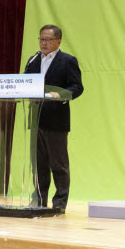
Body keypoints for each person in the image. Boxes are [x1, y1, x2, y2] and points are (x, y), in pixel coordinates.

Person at [23, 24, 84, 213]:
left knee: (58, 165)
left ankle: (59, 204)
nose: (44, 43)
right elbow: (25, 82)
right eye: (41, 39)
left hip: (56, 120)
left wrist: (63, 95)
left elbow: (77, 86)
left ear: (58, 41)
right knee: (39, 165)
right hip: (36, 118)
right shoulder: (33, 60)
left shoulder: (67, 61)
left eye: (48, 39)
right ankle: (39, 201)